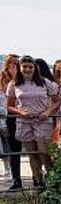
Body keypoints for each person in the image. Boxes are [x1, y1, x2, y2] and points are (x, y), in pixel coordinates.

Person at [6, 55, 61, 187]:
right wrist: (21, 112)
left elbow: (58, 101)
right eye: (24, 66)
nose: (27, 69)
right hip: (24, 122)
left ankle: (53, 180)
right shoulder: (14, 84)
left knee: (45, 153)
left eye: (30, 67)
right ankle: (38, 180)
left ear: (35, 68)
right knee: (32, 154)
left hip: (42, 121)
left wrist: (47, 112)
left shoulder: (45, 83)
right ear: (20, 68)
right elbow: (9, 105)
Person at [0, 55, 22, 189]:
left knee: (13, 147)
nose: (15, 66)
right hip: (6, 117)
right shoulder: (3, 79)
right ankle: (15, 177)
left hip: (17, 116)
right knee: (10, 147)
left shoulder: (20, 80)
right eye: (12, 63)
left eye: (17, 63)